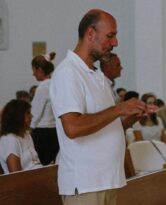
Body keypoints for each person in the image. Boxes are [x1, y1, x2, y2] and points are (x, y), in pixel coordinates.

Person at [49, 9, 146, 205]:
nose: (115, 43)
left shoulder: (95, 74)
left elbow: (103, 124)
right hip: (85, 185)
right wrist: (119, 109)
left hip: (106, 181)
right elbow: (73, 127)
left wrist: (127, 120)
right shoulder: (68, 73)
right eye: (110, 36)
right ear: (90, 34)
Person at [30, 51, 59, 165]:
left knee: (42, 165)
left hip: (43, 133)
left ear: (40, 70)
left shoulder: (42, 87)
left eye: (33, 70)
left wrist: (28, 131)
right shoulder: (55, 84)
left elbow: (35, 114)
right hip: (54, 130)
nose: (33, 74)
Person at [0, 99, 42, 174]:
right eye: (28, 113)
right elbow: (16, 175)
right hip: (26, 182)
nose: (32, 116)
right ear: (17, 117)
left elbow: (35, 163)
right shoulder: (10, 139)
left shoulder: (26, 134)